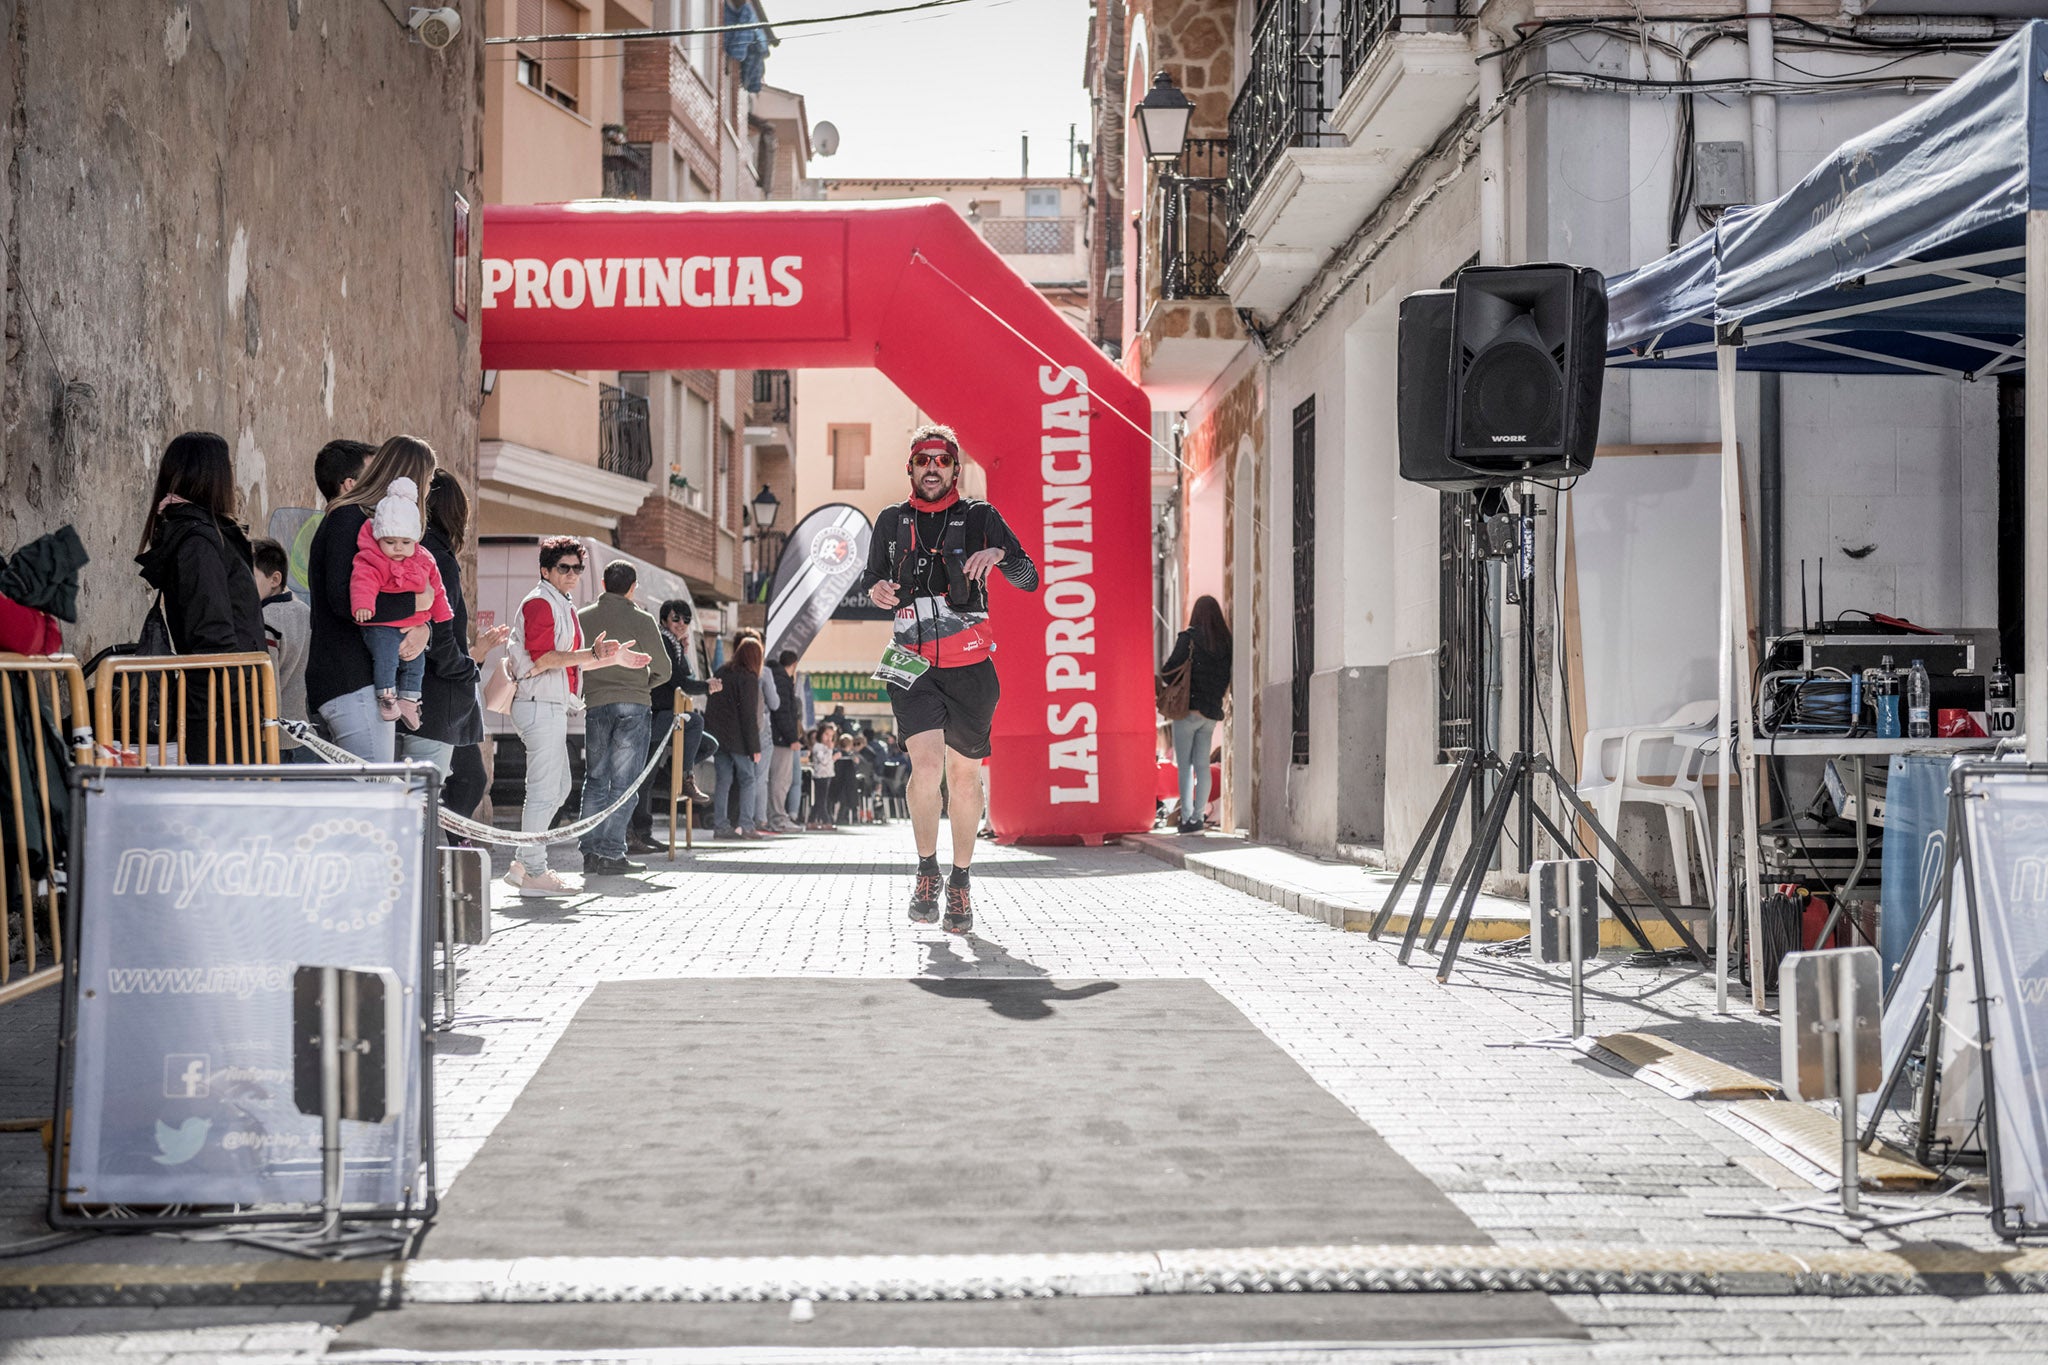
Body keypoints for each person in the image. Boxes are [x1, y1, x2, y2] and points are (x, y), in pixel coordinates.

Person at [854, 423, 1039, 933]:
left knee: (963, 776)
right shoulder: (892, 521)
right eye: (922, 460)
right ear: (910, 468)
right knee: (926, 764)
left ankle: (960, 881)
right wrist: (878, 593)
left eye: (941, 460)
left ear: (956, 468)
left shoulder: (982, 517)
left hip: (972, 668)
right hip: (912, 666)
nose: (931, 468)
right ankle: (925, 870)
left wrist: (1000, 556)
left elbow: (1030, 579)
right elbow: (872, 579)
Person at [504, 536, 637, 896]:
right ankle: (533, 870)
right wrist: (593, 655)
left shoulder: (560, 602)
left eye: (577, 568)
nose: (572, 575)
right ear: (546, 570)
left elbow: (571, 658)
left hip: (549, 706)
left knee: (558, 788)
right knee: (544, 792)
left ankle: (523, 862)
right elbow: (545, 657)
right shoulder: (540, 603)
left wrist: (611, 657)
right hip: (538, 705)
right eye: (564, 568)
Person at [134, 432, 267, 761]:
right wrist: (243, 698)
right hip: (221, 711)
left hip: (224, 704)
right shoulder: (199, 541)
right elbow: (212, 632)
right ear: (215, 476)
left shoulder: (203, 535)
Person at [305, 437, 438, 762]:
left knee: (366, 794)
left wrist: (422, 629)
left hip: (361, 681)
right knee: (373, 792)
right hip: (349, 679)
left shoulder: (364, 522)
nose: (427, 491)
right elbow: (343, 600)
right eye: (428, 481)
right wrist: (416, 605)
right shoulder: (347, 519)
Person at [409, 472, 507, 783]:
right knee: (426, 797)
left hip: (415, 693)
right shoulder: (438, 558)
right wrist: (465, 667)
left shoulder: (412, 551)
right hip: (437, 697)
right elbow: (443, 631)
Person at [576, 561, 672, 875]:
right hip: (633, 704)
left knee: (595, 781)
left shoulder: (582, 617)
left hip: (596, 704)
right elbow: (664, 669)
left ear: (603, 584)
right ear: (633, 588)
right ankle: (612, 854)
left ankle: (589, 852)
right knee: (625, 785)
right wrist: (643, 684)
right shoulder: (642, 619)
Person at [349, 477, 452, 730]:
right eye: (390, 542)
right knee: (386, 659)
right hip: (382, 625)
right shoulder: (371, 558)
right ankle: (386, 696)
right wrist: (363, 604)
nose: (398, 548)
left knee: (416, 663)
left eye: (405, 543)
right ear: (379, 538)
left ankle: (409, 699)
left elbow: (436, 588)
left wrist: (441, 614)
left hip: (413, 624)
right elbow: (363, 581)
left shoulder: (424, 559)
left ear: (415, 540)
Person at [630, 598, 719, 851]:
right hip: (657, 716)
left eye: (686, 619)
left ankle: (676, 770)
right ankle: (639, 832)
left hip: (668, 716)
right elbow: (681, 682)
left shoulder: (675, 645)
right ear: (664, 620)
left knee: (708, 744)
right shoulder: (663, 642)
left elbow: (685, 677)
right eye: (676, 618)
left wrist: (685, 648)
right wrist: (707, 686)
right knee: (645, 777)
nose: (681, 623)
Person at [1162, 594, 1233, 834]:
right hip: (1211, 712)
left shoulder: (1189, 638)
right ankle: (1200, 817)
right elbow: (1226, 678)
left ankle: (1188, 818)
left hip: (1187, 709)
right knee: (1203, 765)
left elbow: (1168, 670)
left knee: (1185, 766)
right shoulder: (1226, 643)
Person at [251, 537, 312, 761]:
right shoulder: (304, 611)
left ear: (275, 579)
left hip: (277, 740)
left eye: (250, 577)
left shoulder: (265, 621)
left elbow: (270, 685)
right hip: (306, 735)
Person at [289, 439, 374, 591]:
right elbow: (342, 596)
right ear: (350, 484)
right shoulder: (345, 519)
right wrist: (413, 602)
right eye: (373, 475)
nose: (379, 481)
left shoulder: (340, 519)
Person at [704, 636, 765, 839]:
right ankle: (746, 825)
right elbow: (748, 715)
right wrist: (754, 747)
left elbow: (711, 705)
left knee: (723, 781)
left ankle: (720, 826)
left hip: (718, 738)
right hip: (738, 740)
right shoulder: (748, 678)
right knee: (748, 779)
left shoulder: (722, 672)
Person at [766, 648, 806, 833]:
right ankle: (779, 819)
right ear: (794, 664)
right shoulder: (782, 680)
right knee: (781, 780)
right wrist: (792, 738)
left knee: (776, 780)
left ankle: (774, 817)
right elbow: (783, 712)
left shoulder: (774, 676)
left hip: (776, 736)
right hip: (781, 739)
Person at [808, 722, 838, 828]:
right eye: (826, 735)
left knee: (820, 800)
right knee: (821, 800)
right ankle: (826, 821)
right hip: (820, 776)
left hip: (828, 775)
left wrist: (834, 757)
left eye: (831, 736)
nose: (829, 738)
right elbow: (823, 760)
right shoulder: (818, 747)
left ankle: (811, 820)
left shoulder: (825, 747)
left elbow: (829, 761)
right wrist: (830, 750)